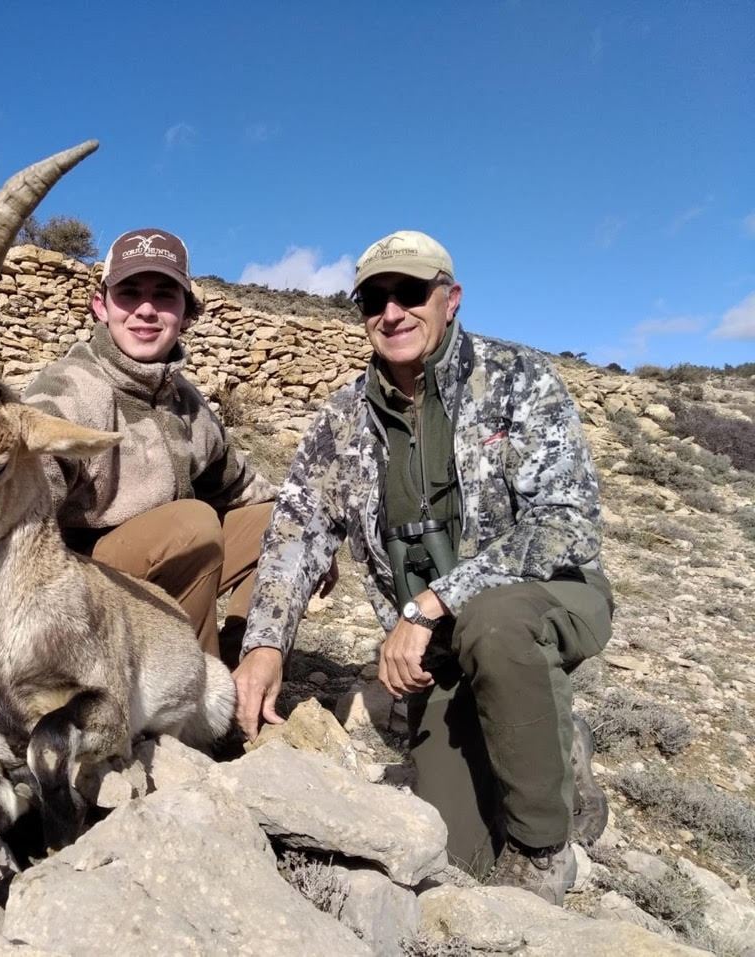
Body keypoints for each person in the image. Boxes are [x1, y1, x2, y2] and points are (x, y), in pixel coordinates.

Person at [232, 230, 613, 903]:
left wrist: (430, 603)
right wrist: (265, 645)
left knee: (495, 625)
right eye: (373, 300)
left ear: (450, 298)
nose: (392, 312)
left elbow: (567, 522)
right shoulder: (343, 419)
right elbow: (297, 534)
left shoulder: (518, 379)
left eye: (409, 292)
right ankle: (558, 748)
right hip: (435, 653)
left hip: (545, 601)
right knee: (456, 852)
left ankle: (544, 850)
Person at [23, 228, 275, 663]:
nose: (145, 310)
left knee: (278, 523)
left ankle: (245, 665)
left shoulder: (187, 402)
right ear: (101, 305)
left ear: (187, 313)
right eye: (129, 293)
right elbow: (18, 517)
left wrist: (305, 535)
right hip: (71, 595)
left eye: (163, 295)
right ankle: (196, 689)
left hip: (152, 572)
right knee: (192, 526)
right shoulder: (67, 392)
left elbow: (239, 485)